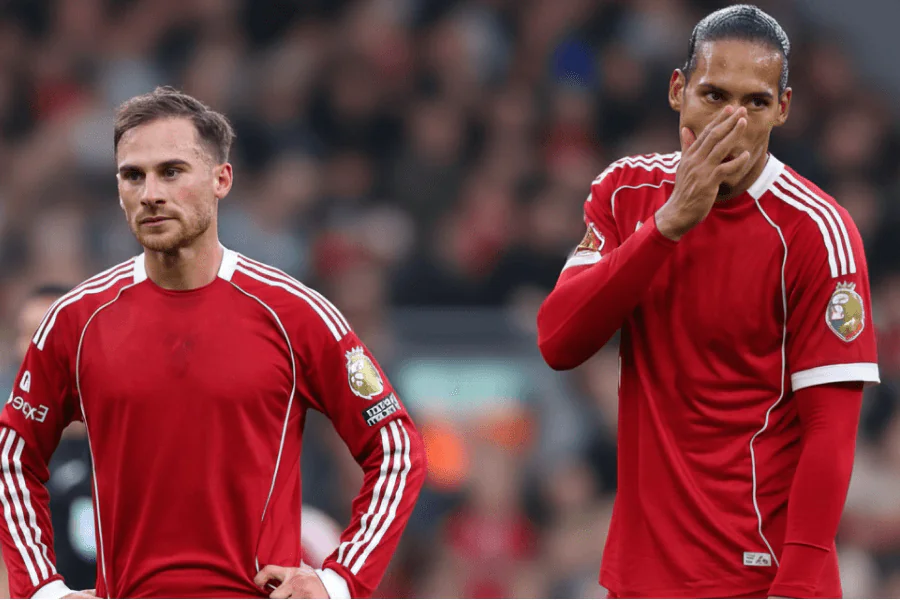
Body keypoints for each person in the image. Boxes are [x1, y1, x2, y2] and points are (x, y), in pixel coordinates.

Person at [0, 86, 426, 599]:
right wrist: (44, 591)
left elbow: (396, 447)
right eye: (132, 175)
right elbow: (14, 456)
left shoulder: (295, 314)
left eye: (171, 171)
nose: (150, 192)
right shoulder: (77, 320)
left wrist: (337, 580)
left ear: (221, 179)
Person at [537, 5, 879, 598]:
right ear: (678, 90)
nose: (732, 121)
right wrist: (668, 225)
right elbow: (558, 341)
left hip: (760, 577)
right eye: (714, 94)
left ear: (785, 108)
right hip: (642, 576)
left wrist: (796, 587)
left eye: (755, 102)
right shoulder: (627, 192)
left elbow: (830, 430)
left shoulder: (818, 230)